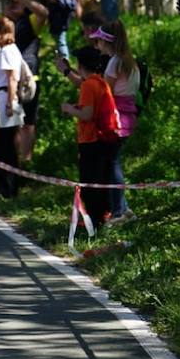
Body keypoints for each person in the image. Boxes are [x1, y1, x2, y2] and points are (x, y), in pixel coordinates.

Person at [0, 0, 48, 167]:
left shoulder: (30, 21)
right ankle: (12, 161)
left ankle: (26, 162)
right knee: (10, 124)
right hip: (4, 81)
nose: (11, 5)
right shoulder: (2, 23)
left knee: (27, 123)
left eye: (15, 2)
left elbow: (44, 13)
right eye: (8, 2)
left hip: (27, 79)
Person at [60, 46, 121, 227]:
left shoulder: (88, 85)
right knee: (100, 180)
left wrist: (69, 109)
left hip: (91, 140)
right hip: (105, 139)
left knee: (90, 183)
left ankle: (94, 220)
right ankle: (100, 216)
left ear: (80, 65)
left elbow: (87, 115)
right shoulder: (100, 82)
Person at [91, 22, 140, 220]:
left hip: (116, 117)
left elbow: (106, 92)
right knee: (113, 162)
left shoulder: (114, 62)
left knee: (112, 164)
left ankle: (119, 211)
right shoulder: (130, 61)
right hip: (129, 115)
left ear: (106, 41)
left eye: (98, 40)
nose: (97, 44)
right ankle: (123, 208)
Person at [0, 17, 24, 198]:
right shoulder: (5, 51)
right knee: (1, 147)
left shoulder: (8, 51)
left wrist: (9, 103)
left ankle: (7, 189)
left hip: (4, 102)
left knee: (5, 148)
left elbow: (11, 78)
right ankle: (0, 188)